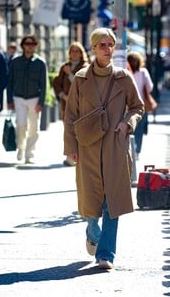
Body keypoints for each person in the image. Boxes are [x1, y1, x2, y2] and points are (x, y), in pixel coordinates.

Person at [64, 27, 144, 269]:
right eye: (102, 45)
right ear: (93, 48)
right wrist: (71, 147)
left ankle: (106, 254)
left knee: (113, 200)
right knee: (91, 198)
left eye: (111, 45)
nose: (108, 50)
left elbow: (137, 107)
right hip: (87, 146)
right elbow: (70, 116)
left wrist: (126, 123)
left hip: (114, 146)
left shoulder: (123, 77)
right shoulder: (80, 79)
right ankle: (91, 230)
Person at [7, 34, 47, 164]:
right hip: (18, 98)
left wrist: (41, 102)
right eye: (27, 44)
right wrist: (9, 100)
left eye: (32, 44)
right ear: (23, 46)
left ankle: (29, 154)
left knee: (34, 128)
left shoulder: (40, 63)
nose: (29, 46)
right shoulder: (15, 61)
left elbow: (44, 84)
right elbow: (10, 82)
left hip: (34, 98)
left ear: (35, 46)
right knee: (21, 125)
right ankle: (21, 147)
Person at [52, 41, 88, 166]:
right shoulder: (64, 66)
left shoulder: (85, 67)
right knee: (68, 130)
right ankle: (70, 156)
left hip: (81, 105)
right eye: (72, 51)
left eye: (77, 51)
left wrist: (70, 74)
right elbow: (56, 83)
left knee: (79, 131)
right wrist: (63, 96)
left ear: (81, 53)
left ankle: (80, 156)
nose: (74, 53)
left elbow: (82, 85)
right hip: (66, 104)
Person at [127, 51, 154, 159]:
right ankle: (136, 151)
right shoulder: (143, 72)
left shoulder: (125, 72)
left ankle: (130, 149)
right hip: (141, 105)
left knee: (129, 128)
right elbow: (150, 87)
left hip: (127, 105)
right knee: (139, 130)